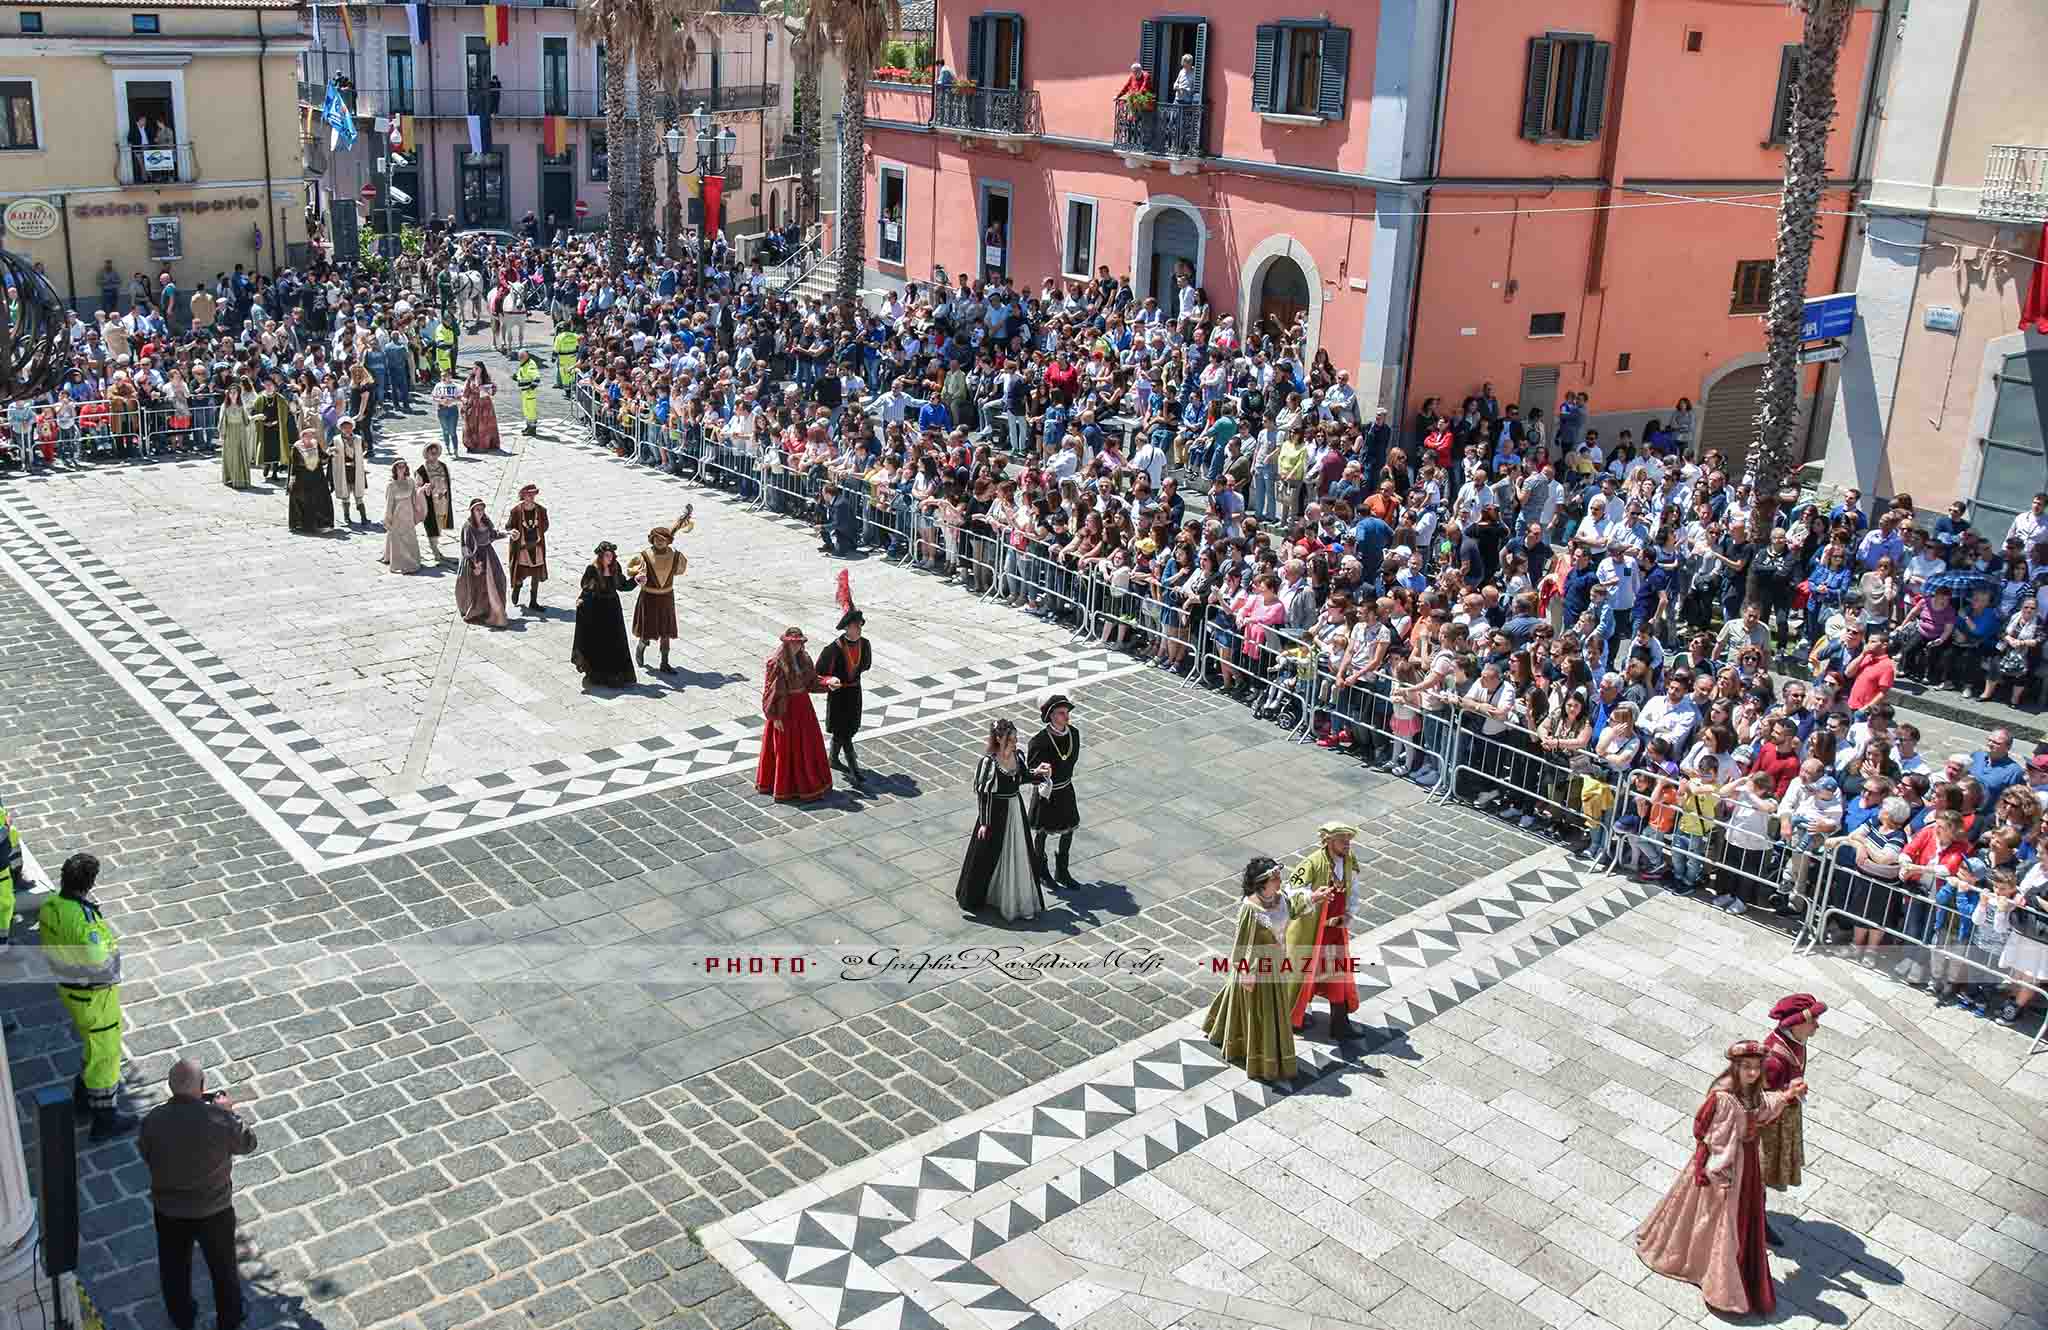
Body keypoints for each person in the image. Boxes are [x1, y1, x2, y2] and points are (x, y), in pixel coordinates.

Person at [1636, 1042, 1807, 1317]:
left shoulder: (1750, 1091)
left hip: (1747, 1159)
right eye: (1747, 1067)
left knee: (1733, 1219)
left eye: (1756, 1067)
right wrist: (1722, 1176)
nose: (1752, 1073)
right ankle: (1720, 1284)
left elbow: (1762, 1108)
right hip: (1729, 1166)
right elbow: (1719, 1141)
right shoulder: (1725, 1098)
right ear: (1736, 1067)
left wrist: (1786, 1095)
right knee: (1723, 1220)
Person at [139, 1059, 258, 1330]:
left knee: (173, 1268)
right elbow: (248, 1142)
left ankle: (181, 1317)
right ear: (202, 1087)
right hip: (213, 1211)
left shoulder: (152, 1121)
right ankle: (229, 1318)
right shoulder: (219, 1119)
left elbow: (146, 1153)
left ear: (171, 1088)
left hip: (169, 1210)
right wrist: (229, 1113)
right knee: (223, 1268)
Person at [39, 852, 136, 1140]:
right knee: (105, 1056)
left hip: (69, 990)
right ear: (90, 883)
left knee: (92, 1046)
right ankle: (105, 1119)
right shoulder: (84, 921)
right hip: (96, 1000)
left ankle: (82, 1100)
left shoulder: (51, 906)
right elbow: (100, 960)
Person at [1202, 855, 1304, 1083]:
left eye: (1279, 876)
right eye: (1275, 878)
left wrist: (1314, 897)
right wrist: (1245, 973)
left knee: (1275, 1010)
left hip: (1277, 964)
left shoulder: (1280, 899)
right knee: (1261, 1013)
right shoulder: (1250, 909)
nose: (1280, 881)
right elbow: (1239, 949)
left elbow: (1292, 910)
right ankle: (1259, 1056)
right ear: (1262, 883)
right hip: (1258, 970)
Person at [954, 717, 1050, 921]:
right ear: (999, 739)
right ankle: (974, 897)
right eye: (1011, 740)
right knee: (987, 855)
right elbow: (984, 795)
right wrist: (985, 822)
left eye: (1015, 739)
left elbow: (1023, 776)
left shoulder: (1017, 755)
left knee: (1018, 853)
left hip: (1015, 809)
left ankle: (1014, 897)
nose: (1015, 743)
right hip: (996, 814)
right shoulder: (989, 763)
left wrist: (1039, 774)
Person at [1757, 993, 1823, 1247]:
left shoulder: (1798, 1041)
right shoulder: (1773, 1058)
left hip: (1784, 1119)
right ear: (1796, 1023)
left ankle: (1757, 1217)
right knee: (1758, 1176)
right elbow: (1759, 1103)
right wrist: (1787, 1092)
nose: (1817, 1025)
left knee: (1765, 1176)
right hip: (1767, 1128)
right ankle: (1754, 1222)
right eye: (1813, 1021)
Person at [1285, 821, 1363, 1039]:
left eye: (1349, 840)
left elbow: (1353, 888)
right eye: (1342, 840)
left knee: (1337, 974)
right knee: (1304, 974)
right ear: (1328, 841)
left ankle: (1339, 1023)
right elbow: (1291, 893)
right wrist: (1313, 897)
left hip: (1335, 931)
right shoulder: (1311, 864)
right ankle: (1294, 1019)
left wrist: (1349, 912)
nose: (1347, 844)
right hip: (1311, 933)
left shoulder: (1349, 861)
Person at [756, 626, 837, 803]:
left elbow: (811, 681)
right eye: (792, 644)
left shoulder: (804, 659)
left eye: (799, 644)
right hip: (784, 710)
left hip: (803, 708)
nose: (796, 647)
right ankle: (786, 787)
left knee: (806, 746)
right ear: (785, 643)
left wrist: (828, 682)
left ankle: (807, 783)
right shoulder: (776, 663)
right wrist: (774, 716)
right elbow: (770, 691)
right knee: (786, 749)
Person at [813, 574, 871, 787]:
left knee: (849, 729)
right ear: (847, 627)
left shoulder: (865, 644)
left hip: (855, 692)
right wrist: (831, 680)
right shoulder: (833, 648)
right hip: (839, 694)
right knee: (843, 732)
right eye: (856, 625)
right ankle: (854, 770)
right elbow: (818, 673)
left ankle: (833, 759)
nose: (859, 629)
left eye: (860, 625)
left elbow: (865, 665)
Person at [1026, 696, 1082, 888]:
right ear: (1050, 716)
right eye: (1061, 713)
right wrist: (1041, 772)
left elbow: (1071, 759)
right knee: (1042, 832)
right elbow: (1031, 770)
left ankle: (1062, 870)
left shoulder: (1074, 734)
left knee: (1069, 829)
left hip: (1065, 789)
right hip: (1047, 793)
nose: (1066, 716)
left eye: (1067, 712)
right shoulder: (1039, 741)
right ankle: (1041, 871)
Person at [628, 511, 693, 672]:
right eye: (657, 539)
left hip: (666, 597)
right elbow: (632, 571)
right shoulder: (645, 556)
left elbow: (679, 570)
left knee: (666, 631)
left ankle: (664, 662)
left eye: (663, 539)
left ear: (668, 541)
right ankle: (642, 646)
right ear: (652, 539)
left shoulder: (675, 555)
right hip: (649, 597)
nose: (660, 542)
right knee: (647, 629)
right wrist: (639, 575)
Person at [572, 542, 638, 689]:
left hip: (613, 609)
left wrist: (636, 581)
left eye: (612, 555)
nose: (610, 558)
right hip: (597, 609)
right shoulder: (592, 569)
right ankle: (597, 674)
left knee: (615, 640)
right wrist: (582, 600)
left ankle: (615, 675)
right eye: (607, 556)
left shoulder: (615, 568)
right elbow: (586, 589)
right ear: (601, 556)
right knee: (599, 641)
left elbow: (622, 586)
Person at [455, 498, 511, 627]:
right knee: (479, 587)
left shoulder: (486, 522)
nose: (480, 512)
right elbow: (466, 547)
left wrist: (507, 533)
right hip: (475, 558)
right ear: (472, 511)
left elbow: (493, 535)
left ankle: (494, 612)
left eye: (482, 509)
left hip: (489, 556)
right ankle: (478, 612)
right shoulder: (468, 526)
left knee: (497, 581)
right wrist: (475, 563)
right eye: (477, 510)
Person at [504, 483, 549, 612]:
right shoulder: (516, 511)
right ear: (523, 495)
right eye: (528, 494)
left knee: (536, 575)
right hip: (522, 548)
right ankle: (517, 589)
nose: (531, 497)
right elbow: (508, 526)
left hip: (536, 547)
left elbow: (545, 525)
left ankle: (533, 601)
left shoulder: (541, 510)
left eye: (533, 494)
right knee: (520, 573)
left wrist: (536, 533)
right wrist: (513, 532)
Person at [381, 459, 427, 574]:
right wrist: (388, 518)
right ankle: (400, 562)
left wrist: (421, 491)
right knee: (398, 538)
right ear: (395, 469)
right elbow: (389, 503)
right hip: (397, 515)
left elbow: (414, 497)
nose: (402, 469)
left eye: (403, 466)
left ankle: (412, 560)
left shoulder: (410, 481)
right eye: (399, 467)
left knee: (410, 538)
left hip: (408, 514)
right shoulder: (391, 485)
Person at [286, 429, 333, 534]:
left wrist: (330, 453)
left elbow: (322, 456)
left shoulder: (315, 444)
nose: (309, 437)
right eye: (306, 435)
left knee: (319, 499)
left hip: (317, 476)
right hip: (302, 477)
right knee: (304, 500)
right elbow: (294, 464)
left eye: (311, 435)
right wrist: (292, 480)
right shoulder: (297, 447)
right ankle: (303, 524)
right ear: (302, 436)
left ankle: (321, 524)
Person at [417, 441, 455, 563]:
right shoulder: (421, 470)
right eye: (431, 453)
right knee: (431, 526)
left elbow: (448, 481)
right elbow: (417, 488)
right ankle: (435, 552)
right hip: (429, 503)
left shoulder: (443, 466)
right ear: (426, 454)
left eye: (436, 452)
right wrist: (425, 489)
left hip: (442, 501)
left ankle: (436, 548)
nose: (434, 455)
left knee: (439, 525)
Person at [330, 417, 370, 526]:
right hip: (344, 471)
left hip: (356, 470)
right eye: (344, 427)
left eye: (349, 427)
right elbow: (330, 453)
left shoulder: (358, 439)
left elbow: (365, 448)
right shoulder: (336, 440)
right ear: (340, 428)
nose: (347, 429)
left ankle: (364, 517)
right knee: (345, 494)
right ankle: (347, 517)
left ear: (352, 428)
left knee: (359, 495)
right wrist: (332, 452)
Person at [217, 379, 252, 488]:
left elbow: (247, 420)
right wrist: (222, 436)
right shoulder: (225, 406)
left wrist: (256, 418)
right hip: (230, 432)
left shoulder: (242, 406)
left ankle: (241, 479)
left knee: (241, 454)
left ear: (238, 394)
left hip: (241, 432)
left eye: (235, 392)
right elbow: (222, 422)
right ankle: (230, 478)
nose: (233, 395)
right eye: (231, 392)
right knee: (230, 455)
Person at [461, 363, 503, 453]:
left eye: (477, 368)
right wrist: (464, 400)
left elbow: (493, 389)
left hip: (485, 404)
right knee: (473, 424)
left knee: (485, 425)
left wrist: (488, 389)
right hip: (474, 403)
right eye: (473, 368)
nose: (474, 370)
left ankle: (485, 445)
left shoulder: (486, 378)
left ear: (481, 369)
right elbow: (465, 391)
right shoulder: (470, 379)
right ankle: (473, 445)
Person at [513, 348, 542, 436]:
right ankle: (528, 427)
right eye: (519, 356)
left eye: (522, 356)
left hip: (529, 392)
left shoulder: (530, 364)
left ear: (527, 356)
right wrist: (516, 377)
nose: (520, 358)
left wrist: (531, 388)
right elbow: (522, 374)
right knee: (526, 410)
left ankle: (532, 429)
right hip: (525, 392)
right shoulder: (524, 364)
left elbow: (536, 377)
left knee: (531, 411)